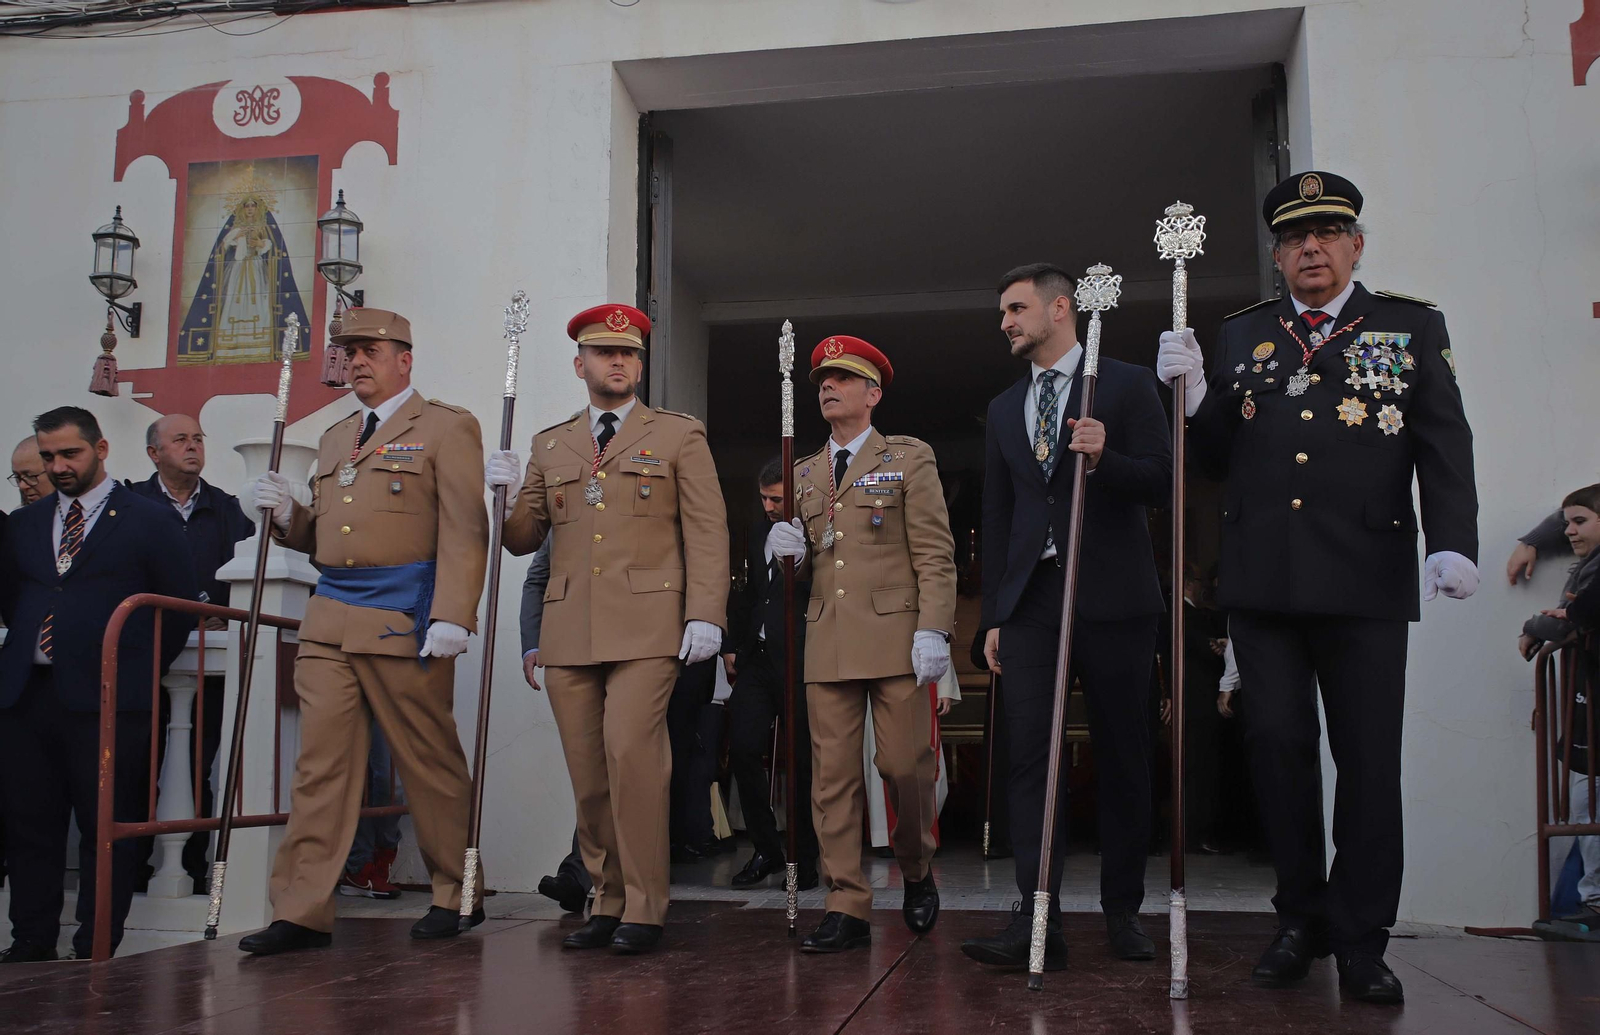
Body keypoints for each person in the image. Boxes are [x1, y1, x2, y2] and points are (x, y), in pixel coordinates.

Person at [1157, 170, 1479, 1004]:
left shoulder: (1409, 325)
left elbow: (1445, 440)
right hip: (1263, 583)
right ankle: (1299, 918)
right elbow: (1218, 459)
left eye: (1329, 232)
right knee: (1278, 749)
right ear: (1277, 254)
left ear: (1356, 245)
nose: (1312, 246)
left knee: (1368, 763)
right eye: (1297, 236)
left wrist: (1452, 543)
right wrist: (1192, 400)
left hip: (1367, 578)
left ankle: (1362, 937)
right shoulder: (1244, 335)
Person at [240, 307, 489, 954]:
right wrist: (286, 513)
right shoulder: (336, 435)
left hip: (404, 617)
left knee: (428, 758)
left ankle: (453, 889)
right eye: (348, 351)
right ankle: (301, 907)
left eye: (370, 349)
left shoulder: (445, 426)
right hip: (330, 617)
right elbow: (324, 534)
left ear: (405, 357)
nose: (356, 361)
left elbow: (465, 526)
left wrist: (455, 614)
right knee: (319, 766)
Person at [485, 303, 729, 956]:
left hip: (650, 629)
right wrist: (503, 496)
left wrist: (707, 611)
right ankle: (606, 896)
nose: (618, 360)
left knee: (632, 757)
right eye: (603, 351)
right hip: (570, 631)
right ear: (580, 363)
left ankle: (645, 906)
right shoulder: (549, 443)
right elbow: (522, 539)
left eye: (629, 352)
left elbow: (708, 529)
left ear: (639, 364)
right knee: (590, 774)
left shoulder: (679, 436)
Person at [961, 263, 1171, 972]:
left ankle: (1122, 911)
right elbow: (998, 513)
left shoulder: (1128, 382)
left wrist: (1107, 454)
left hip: (1114, 596)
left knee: (1122, 753)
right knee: (1028, 757)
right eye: (1002, 311)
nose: (1005, 322)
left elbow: (1165, 478)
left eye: (1016, 308)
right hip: (1031, 601)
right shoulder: (1000, 409)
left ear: (1060, 309)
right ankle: (1035, 913)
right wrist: (995, 612)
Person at [766, 334, 956, 953]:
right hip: (828, 640)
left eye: (843, 378)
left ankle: (917, 866)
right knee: (832, 782)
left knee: (905, 767)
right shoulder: (803, 471)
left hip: (898, 637)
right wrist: (784, 557)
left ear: (873, 393)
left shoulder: (908, 457)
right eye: (822, 377)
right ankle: (845, 901)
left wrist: (934, 628)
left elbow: (934, 550)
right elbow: (809, 566)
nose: (828, 385)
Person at [0, 406, 198, 961]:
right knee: (29, 825)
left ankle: (96, 943)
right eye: (47, 457)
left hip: (111, 700)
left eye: (69, 454)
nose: (58, 466)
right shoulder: (25, 524)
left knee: (104, 827)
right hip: (26, 696)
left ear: (101, 448)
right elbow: (15, 599)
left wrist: (135, 669)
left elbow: (176, 605)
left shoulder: (148, 518)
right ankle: (30, 940)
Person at [127, 413, 255, 892]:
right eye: (180, 439)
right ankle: (132, 866)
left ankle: (198, 868)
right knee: (137, 761)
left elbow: (244, 571)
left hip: (209, 659)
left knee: (199, 762)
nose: (192, 446)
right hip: (144, 656)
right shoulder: (130, 505)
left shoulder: (227, 509)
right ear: (153, 453)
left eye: (197, 438)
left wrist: (220, 611)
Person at [724, 457, 818, 890]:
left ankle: (805, 857)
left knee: (801, 762)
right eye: (763, 498)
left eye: (777, 499)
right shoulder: (759, 532)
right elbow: (747, 592)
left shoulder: (814, 532)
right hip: (757, 659)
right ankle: (766, 849)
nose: (769, 507)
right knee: (742, 749)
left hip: (800, 659)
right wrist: (731, 646)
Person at [1517, 486, 1600, 935]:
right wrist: (1531, 540)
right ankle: (1593, 902)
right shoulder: (1590, 562)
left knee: (1586, 805)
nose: (1568, 530)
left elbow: (1580, 614)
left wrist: (1538, 624)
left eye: (1579, 523)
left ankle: (1595, 903)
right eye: (1566, 522)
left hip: (1592, 714)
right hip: (1586, 710)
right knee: (1585, 804)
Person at [519, 539, 592, 915]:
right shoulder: (560, 497)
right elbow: (537, 578)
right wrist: (532, 643)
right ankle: (579, 875)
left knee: (631, 766)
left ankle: (635, 884)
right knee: (593, 772)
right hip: (578, 651)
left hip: (648, 650)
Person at [8, 436, 46, 507]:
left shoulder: (71, 514)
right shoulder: (18, 516)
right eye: (18, 477)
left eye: (30, 476)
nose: (22, 486)